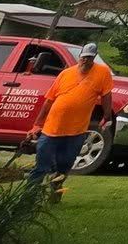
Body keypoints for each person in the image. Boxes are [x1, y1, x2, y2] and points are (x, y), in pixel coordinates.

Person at [29, 41, 114, 190]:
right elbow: (49, 101)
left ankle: (55, 193)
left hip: (76, 131)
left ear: (93, 58)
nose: (86, 61)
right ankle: (28, 197)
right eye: (84, 57)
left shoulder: (103, 73)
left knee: (64, 166)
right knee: (42, 165)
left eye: (90, 58)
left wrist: (107, 116)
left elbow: (106, 96)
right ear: (80, 57)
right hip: (51, 130)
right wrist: (37, 125)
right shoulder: (66, 74)